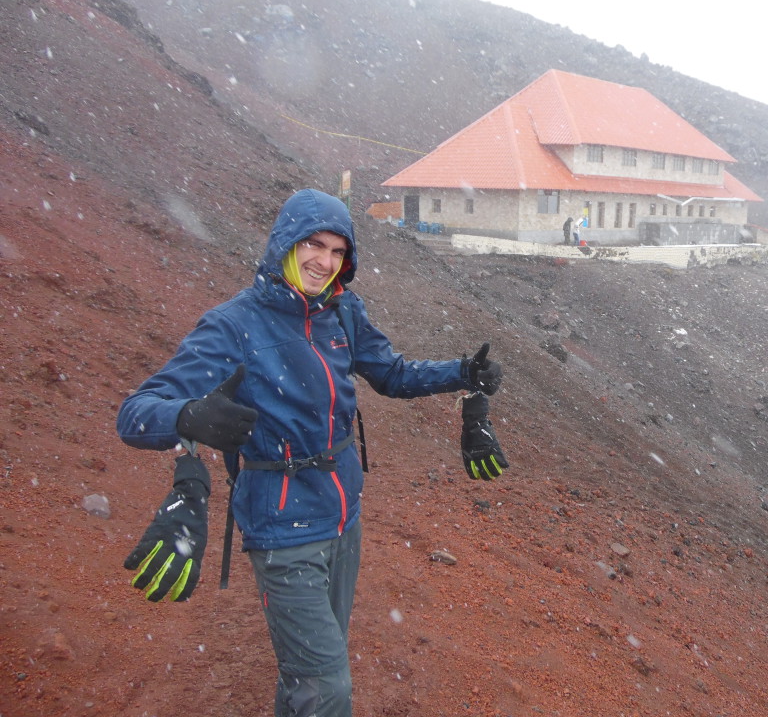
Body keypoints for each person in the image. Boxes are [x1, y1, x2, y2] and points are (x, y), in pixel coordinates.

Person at [116, 188, 506, 717]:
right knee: (327, 688)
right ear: (285, 243)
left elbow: (391, 373)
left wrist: (460, 372)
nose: (324, 262)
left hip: (344, 519)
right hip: (280, 527)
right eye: (313, 245)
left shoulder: (342, 313)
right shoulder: (234, 325)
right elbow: (137, 411)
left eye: (337, 251)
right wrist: (186, 419)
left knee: (309, 674)